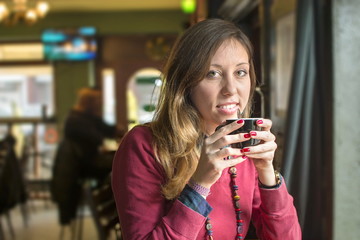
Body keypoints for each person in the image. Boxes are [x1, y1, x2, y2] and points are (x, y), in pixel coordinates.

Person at [112, 18, 301, 239]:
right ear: (185, 83)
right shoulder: (144, 145)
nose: (231, 89)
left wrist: (268, 172)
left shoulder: (241, 144)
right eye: (213, 73)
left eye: (240, 72)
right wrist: (200, 185)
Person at [51, 87, 123, 225]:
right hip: (84, 166)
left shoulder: (82, 117)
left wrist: (118, 130)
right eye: (97, 102)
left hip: (87, 162)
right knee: (122, 166)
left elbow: (106, 129)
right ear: (89, 103)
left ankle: (112, 206)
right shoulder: (76, 120)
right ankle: (112, 207)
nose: (100, 104)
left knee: (120, 164)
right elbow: (97, 137)